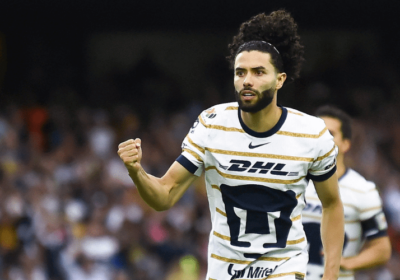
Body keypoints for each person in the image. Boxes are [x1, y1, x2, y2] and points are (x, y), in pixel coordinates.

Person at [118, 10, 344, 280]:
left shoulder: (311, 133)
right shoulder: (212, 125)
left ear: (280, 79)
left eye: (259, 72)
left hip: (284, 268)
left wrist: (330, 274)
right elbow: (165, 196)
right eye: (241, 72)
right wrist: (136, 171)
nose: (247, 80)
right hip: (225, 272)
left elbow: (332, 204)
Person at [303, 105, 391, 280]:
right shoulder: (293, 181)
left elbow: (381, 249)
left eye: (330, 133)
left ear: (345, 144)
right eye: (317, 133)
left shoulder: (362, 190)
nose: (322, 139)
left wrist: (348, 263)